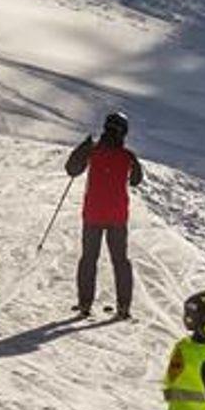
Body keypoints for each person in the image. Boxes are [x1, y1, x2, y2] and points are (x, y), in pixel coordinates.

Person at [66, 111, 143, 318]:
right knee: (120, 261)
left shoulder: (93, 150)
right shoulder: (128, 156)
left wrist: (83, 148)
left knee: (89, 258)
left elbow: (72, 170)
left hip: (93, 214)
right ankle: (123, 307)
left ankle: (85, 304)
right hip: (117, 216)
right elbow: (136, 181)